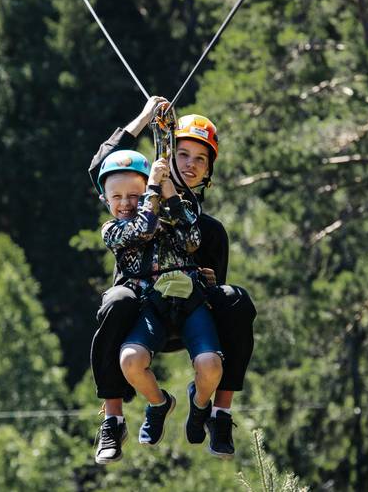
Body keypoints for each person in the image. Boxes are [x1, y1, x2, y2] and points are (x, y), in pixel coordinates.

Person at [89, 96, 257, 463]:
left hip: (188, 307)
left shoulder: (206, 228)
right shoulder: (133, 199)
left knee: (237, 300)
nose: (191, 166)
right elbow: (103, 167)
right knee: (115, 302)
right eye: (183, 155)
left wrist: (207, 282)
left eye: (201, 159)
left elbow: (212, 280)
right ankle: (113, 417)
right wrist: (144, 119)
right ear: (167, 154)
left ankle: (218, 410)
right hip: (141, 304)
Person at [97, 148, 224, 450]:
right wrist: (153, 187)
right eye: (117, 197)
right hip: (150, 305)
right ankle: (158, 403)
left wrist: (167, 188)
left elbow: (192, 240)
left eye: (133, 195)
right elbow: (143, 230)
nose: (125, 203)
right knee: (130, 361)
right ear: (105, 201)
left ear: (143, 195)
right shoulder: (113, 229)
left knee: (211, 366)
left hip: (189, 301)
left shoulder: (170, 213)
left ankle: (200, 402)